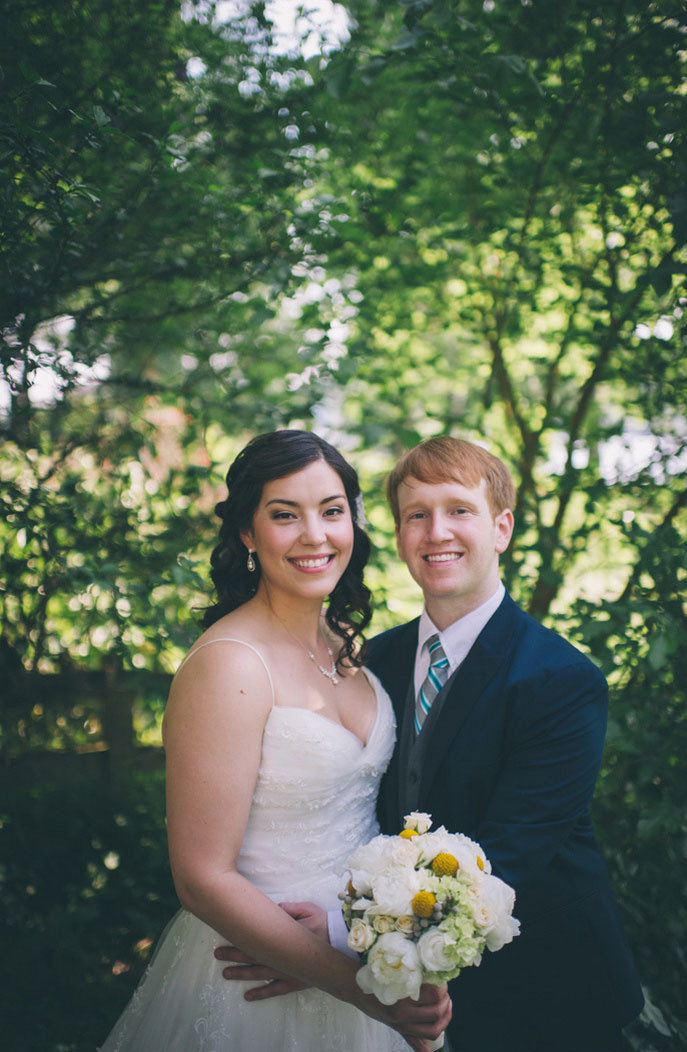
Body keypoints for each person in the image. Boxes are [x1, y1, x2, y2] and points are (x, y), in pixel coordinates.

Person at [219, 435, 643, 1052]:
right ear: (398, 535)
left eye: (458, 510)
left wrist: (337, 935)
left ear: (501, 529)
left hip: (545, 994)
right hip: (400, 1000)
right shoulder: (370, 662)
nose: (436, 531)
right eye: (417, 514)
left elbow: (508, 852)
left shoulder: (561, 679)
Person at [98, 430, 450, 1052]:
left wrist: (380, 946)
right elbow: (202, 875)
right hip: (258, 976)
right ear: (247, 534)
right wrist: (359, 987)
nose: (314, 535)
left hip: (357, 947)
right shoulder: (229, 664)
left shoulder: (347, 648)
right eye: (285, 515)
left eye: (331, 511)